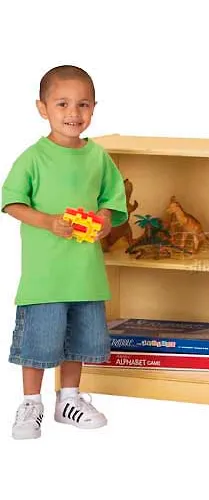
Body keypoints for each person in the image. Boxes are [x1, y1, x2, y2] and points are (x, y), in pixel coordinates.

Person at [1, 65, 128, 439]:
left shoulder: (98, 156)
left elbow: (112, 199)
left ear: (94, 108)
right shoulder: (33, 157)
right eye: (62, 104)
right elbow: (11, 202)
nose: (74, 113)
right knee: (38, 340)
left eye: (83, 104)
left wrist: (105, 220)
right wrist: (47, 221)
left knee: (80, 339)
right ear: (43, 108)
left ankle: (68, 398)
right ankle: (31, 403)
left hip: (86, 275)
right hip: (45, 278)